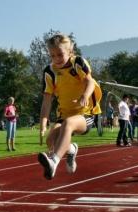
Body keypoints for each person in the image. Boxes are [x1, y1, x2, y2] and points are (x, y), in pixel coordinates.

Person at [38, 34, 102, 179]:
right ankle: (71, 149)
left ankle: (54, 162)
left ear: (70, 52)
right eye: (52, 55)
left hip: (85, 113)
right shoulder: (49, 72)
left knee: (68, 124)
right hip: (64, 114)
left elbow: (90, 81)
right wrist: (43, 123)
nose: (56, 59)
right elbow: (47, 100)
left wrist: (85, 96)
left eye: (60, 54)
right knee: (51, 141)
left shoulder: (77, 63)